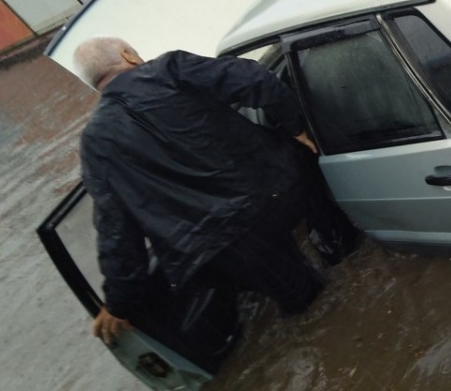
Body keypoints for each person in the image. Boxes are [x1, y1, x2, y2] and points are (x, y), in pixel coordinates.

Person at [74, 36, 355, 350]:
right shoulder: (169, 69)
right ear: (127, 54)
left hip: (215, 248)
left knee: (299, 302)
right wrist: (296, 128)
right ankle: (340, 251)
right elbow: (256, 79)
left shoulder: (94, 141)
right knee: (324, 283)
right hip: (271, 193)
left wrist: (119, 303)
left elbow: (115, 229)